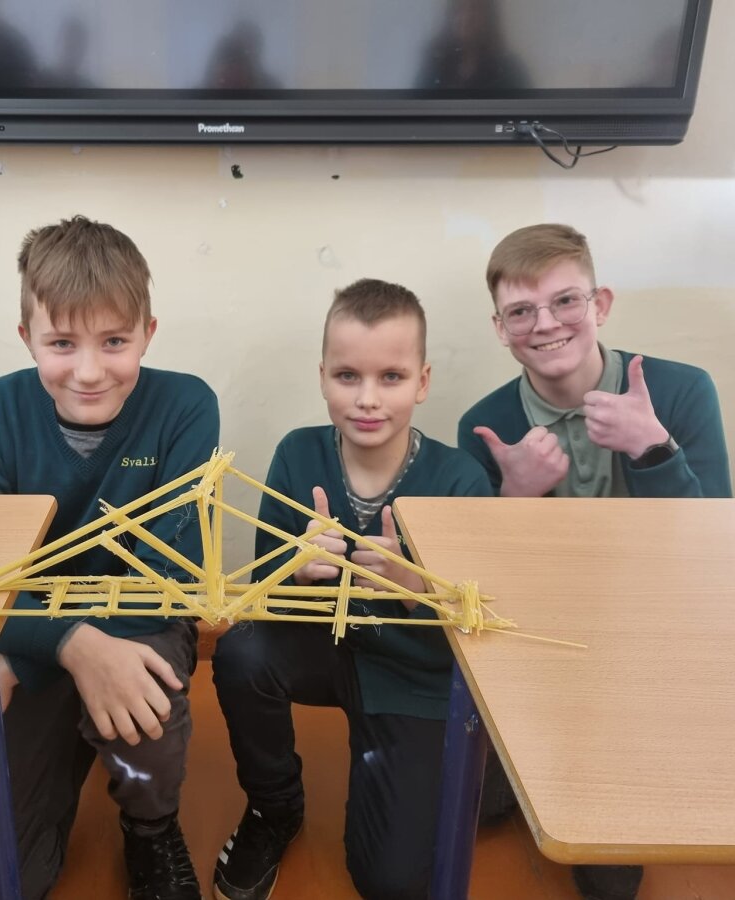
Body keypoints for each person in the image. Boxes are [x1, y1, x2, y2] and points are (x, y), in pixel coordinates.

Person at [457, 223, 731, 900]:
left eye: (566, 301)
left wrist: (655, 449)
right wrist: (514, 498)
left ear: (600, 304)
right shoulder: (484, 424)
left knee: (609, 873)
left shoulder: (681, 391)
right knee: (473, 807)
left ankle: (612, 761)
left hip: (651, 631)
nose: (546, 325)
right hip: (541, 636)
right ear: (500, 328)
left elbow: (713, 548)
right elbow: (479, 577)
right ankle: (535, 755)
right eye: (522, 311)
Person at [0, 215, 219, 900]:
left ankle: (150, 825)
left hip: (131, 625)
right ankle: (70, 732)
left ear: (148, 334)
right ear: (27, 338)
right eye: (62, 343)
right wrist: (64, 645)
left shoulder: (187, 405)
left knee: (150, 706)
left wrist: (70, 647)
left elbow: (172, 578)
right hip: (29, 632)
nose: (91, 370)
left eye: (115, 341)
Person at [211, 278, 492, 900]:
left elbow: (473, 636)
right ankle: (274, 807)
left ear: (422, 381)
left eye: (391, 377)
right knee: (241, 652)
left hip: (412, 675)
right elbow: (261, 600)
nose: (367, 399)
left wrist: (414, 588)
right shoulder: (297, 454)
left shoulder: (460, 481)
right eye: (347, 376)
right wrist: (295, 572)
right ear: (323, 378)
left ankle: (478, 771)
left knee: (390, 882)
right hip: (323, 649)